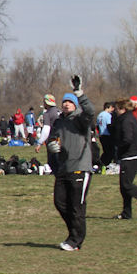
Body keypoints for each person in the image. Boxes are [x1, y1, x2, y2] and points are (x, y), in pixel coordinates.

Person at [49, 77, 96, 251]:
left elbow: (90, 111)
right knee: (60, 202)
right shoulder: (59, 121)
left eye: (70, 102)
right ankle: (74, 235)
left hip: (80, 168)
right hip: (64, 168)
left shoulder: (81, 120)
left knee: (77, 206)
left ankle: (75, 240)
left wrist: (79, 93)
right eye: (64, 102)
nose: (66, 104)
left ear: (75, 105)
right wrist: (51, 145)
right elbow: (53, 138)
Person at [112, 98, 137, 220]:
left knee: (126, 185)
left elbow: (127, 138)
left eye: (117, 109)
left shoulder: (126, 120)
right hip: (132, 155)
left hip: (130, 157)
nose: (115, 111)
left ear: (122, 109)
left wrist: (119, 147)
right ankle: (126, 213)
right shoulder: (130, 118)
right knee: (124, 187)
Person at [35, 94, 61, 173]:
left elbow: (46, 129)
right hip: (63, 139)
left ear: (47, 103)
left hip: (53, 140)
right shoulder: (59, 111)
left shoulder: (47, 114)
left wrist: (39, 143)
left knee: (53, 163)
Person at [97, 102, 115, 166]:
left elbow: (97, 126)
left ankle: (101, 163)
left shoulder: (100, 115)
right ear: (108, 107)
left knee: (105, 151)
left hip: (101, 135)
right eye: (111, 108)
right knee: (110, 152)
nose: (112, 110)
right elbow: (109, 125)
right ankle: (104, 164)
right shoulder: (108, 115)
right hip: (107, 135)